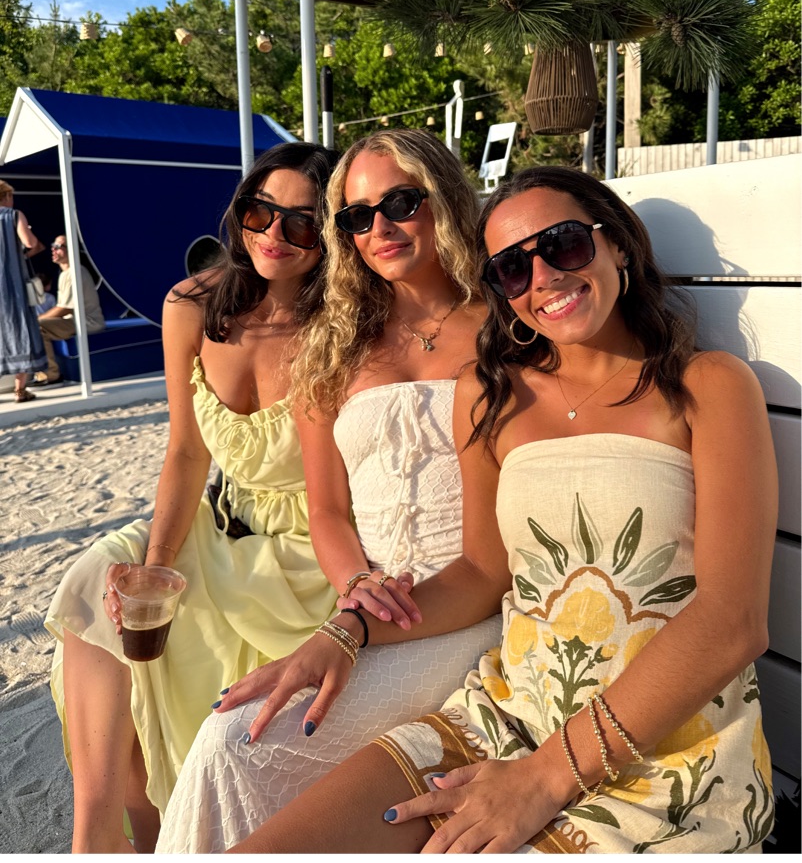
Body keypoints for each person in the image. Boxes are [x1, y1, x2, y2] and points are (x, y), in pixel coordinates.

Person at [189, 166, 776, 854]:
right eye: (512, 269)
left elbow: (731, 623)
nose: (543, 278)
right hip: (507, 715)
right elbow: (479, 574)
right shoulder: (493, 395)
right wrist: (348, 629)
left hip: (665, 752)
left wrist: (545, 777)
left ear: (616, 243)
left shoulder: (706, 385)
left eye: (563, 244)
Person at [155, 128, 503, 853]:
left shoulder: (505, 327)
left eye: (400, 203)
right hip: (366, 601)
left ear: (442, 197)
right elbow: (327, 509)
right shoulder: (336, 342)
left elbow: (488, 561)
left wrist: (353, 628)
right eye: (356, 216)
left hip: (466, 608)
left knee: (236, 744)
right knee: (230, 739)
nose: (380, 228)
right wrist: (355, 589)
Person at [44, 143, 341, 854]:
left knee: (186, 659)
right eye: (261, 212)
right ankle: (98, 838)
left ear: (331, 236)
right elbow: (185, 452)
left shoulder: (341, 323)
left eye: (303, 223)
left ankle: (162, 835)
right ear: (239, 212)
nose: (275, 234)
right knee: (100, 582)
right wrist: (157, 562)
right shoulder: (192, 306)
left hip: (309, 548)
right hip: (221, 521)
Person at [34, 234, 106, 385]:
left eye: (58, 246)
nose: (53, 249)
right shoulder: (65, 274)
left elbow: (64, 309)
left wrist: (37, 320)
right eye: (53, 246)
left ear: (71, 249)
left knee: (37, 327)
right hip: (74, 321)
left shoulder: (76, 272)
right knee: (35, 326)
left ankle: (51, 374)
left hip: (87, 322)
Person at [0, 178, 47, 402]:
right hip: (12, 285)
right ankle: (20, 390)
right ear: (7, 196)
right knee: (20, 330)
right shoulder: (14, 215)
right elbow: (30, 243)